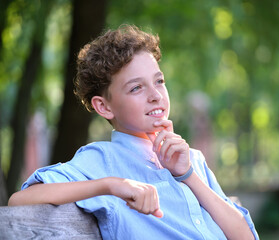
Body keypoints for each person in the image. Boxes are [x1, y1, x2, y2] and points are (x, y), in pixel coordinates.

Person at [8, 25, 259, 240]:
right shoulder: (102, 160)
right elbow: (20, 200)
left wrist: (187, 175)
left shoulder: (193, 160)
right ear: (104, 107)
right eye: (137, 87)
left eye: (159, 81)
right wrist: (112, 185)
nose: (156, 95)